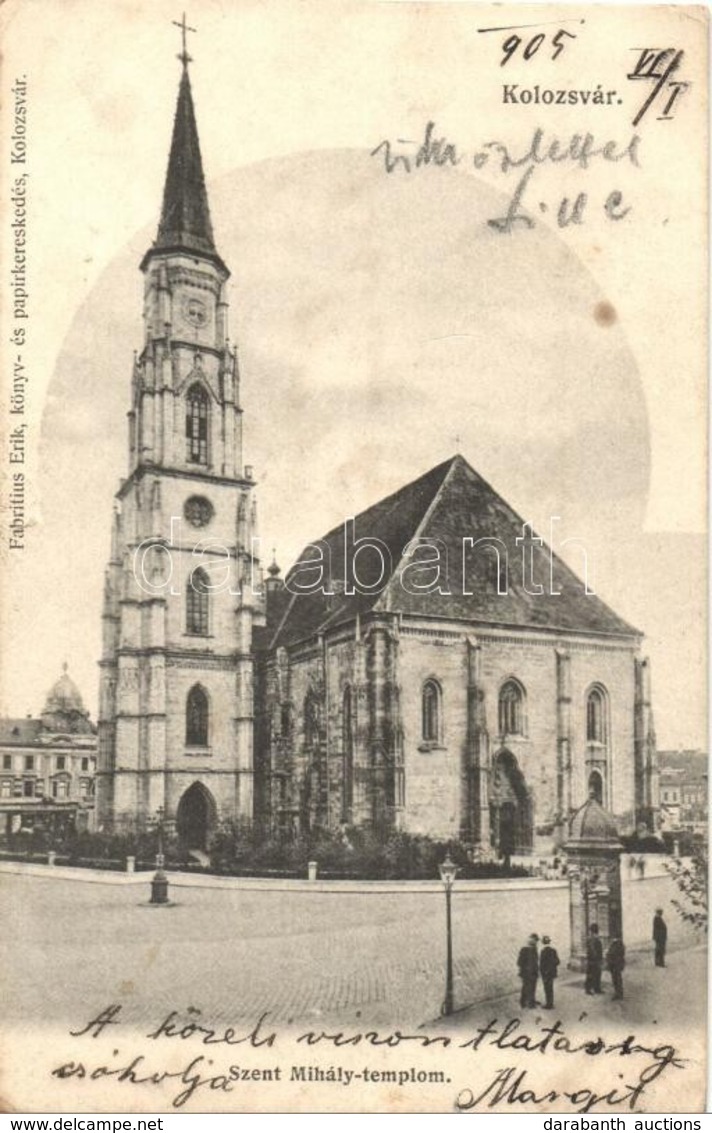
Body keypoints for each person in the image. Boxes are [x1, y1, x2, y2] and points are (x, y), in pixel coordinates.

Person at [517, 933, 539, 1008]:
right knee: (526, 987)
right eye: (534, 940)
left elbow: (536, 961)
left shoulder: (534, 949)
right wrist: (526, 969)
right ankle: (523, 1002)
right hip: (526, 973)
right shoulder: (524, 950)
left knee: (533, 987)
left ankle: (531, 1001)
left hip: (533, 972)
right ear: (531, 940)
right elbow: (519, 962)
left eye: (536, 941)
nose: (536, 942)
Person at [539, 935, 560, 1008]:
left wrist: (542, 972)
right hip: (552, 973)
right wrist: (552, 966)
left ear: (543, 943)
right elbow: (557, 961)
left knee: (547, 988)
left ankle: (549, 1004)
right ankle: (550, 1003)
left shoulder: (543, 952)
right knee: (550, 988)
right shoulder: (553, 951)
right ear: (549, 942)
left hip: (545, 974)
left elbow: (541, 964)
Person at [585, 923, 604, 995]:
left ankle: (596, 989)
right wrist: (597, 959)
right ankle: (590, 989)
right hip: (594, 960)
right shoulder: (593, 938)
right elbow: (593, 950)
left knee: (595, 974)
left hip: (593, 960)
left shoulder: (592, 938)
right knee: (592, 974)